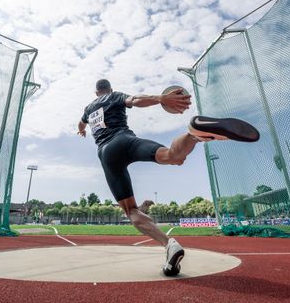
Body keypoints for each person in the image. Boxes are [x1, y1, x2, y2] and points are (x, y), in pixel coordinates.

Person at [77, 79, 259, 276]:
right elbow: (135, 100)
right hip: (126, 140)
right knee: (174, 157)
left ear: (96, 93)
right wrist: (160, 98)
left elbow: (81, 122)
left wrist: (81, 130)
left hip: (106, 153)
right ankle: (194, 135)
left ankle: (169, 244)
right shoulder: (114, 96)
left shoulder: (89, 108)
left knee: (131, 211)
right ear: (109, 89)